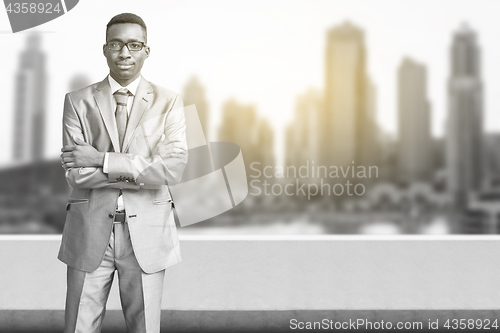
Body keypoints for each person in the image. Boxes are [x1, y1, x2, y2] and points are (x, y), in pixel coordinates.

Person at [59, 13, 187, 333]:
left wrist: (100, 158)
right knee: (78, 327)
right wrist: (141, 172)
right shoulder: (77, 101)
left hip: (148, 234)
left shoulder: (169, 102)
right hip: (89, 231)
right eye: (116, 44)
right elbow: (77, 175)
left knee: (145, 328)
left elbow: (171, 169)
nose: (124, 53)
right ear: (105, 49)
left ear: (146, 50)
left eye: (134, 44)